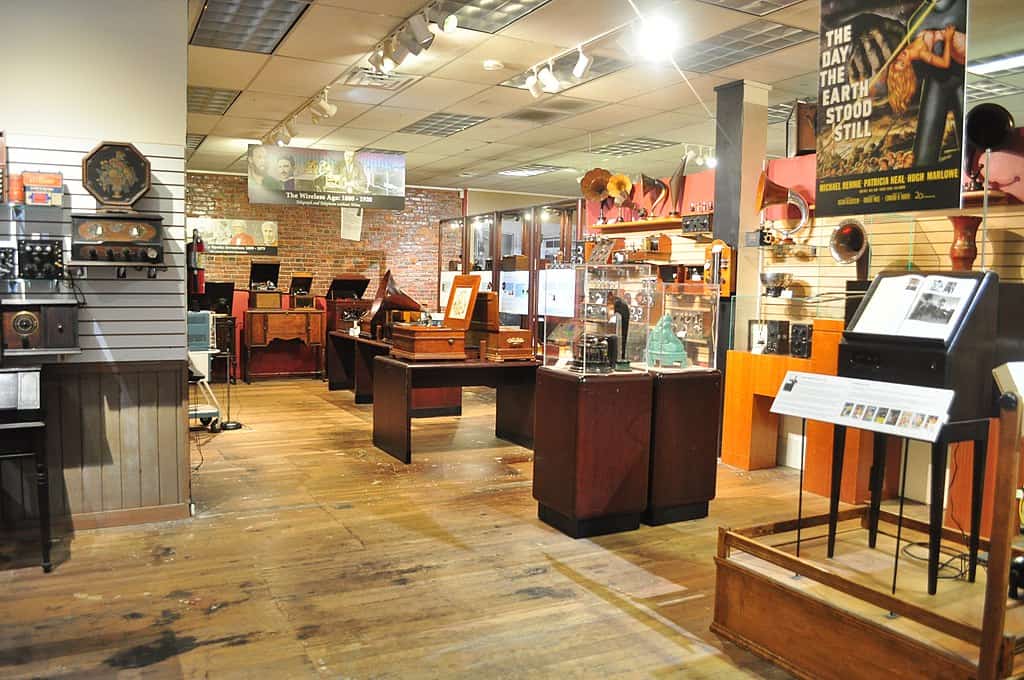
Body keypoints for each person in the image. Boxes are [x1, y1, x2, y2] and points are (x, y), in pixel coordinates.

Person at [885, 24, 959, 117]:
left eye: (897, 61)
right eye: (902, 63)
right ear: (908, 67)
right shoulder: (922, 54)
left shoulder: (907, 43)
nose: (901, 58)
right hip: (957, 40)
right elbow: (945, 63)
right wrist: (948, 39)